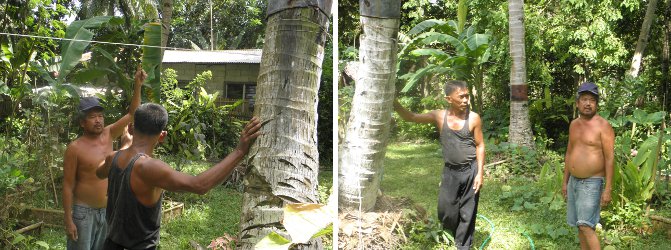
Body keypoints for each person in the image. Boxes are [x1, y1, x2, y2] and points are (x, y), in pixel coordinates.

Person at [96, 103, 261, 249]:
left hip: (110, 243)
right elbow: (199, 185)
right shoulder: (148, 167)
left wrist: (124, 147)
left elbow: (99, 172)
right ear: (162, 136)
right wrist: (240, 151)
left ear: (131, 128)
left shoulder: (113, 157)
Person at [393, 80, 485, 250]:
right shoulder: (439, 116)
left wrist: (480, 173)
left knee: (468, 211)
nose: (466, 100)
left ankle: (463, 245)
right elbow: (411, 117)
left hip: (470, 171)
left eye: (467, 96)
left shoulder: (473, 118)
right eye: (461, 97)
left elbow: (480, 145)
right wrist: (393, 101)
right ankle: (449, 234)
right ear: (448, 99)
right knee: (446, 211)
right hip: (450, 172)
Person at [62, 66, 145, 250]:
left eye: (100, 116)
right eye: (92, 117)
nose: (98, 120)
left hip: (107, 212)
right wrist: (68, 220)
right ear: (83, 122)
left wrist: (137, 86)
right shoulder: (74, 148)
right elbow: (67, 185)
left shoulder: (108, 134)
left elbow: (132, 115)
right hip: (83, 214)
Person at [563, 82, 614, 250]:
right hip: (574, 182)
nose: (588, 103)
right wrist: (565, 182)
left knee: (586, 226)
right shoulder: (574, 124)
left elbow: (609, 158)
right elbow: (569, 153)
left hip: (592, 183)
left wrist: (608, 189)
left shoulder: (603, 126)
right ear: (577, 103)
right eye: (584, 99)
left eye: (592, 100)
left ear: (596, 104)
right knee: (580, 226)